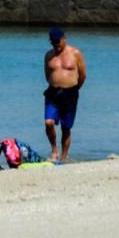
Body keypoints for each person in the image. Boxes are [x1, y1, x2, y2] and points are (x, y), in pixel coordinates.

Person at [43, 26, 86, 163]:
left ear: (64, 39)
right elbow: (47, 74)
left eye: (58, 42)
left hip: (70, 94)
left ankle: (63, 157)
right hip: (52, 93)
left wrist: (74, 88)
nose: (56, 45)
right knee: (48, 123)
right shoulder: (48, 55)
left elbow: (83, 75)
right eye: (53, 43)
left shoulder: (75, 53)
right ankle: (54, 150)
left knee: (65, 127)